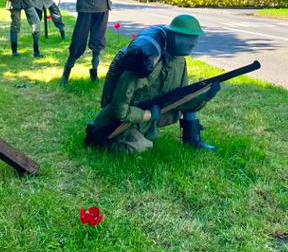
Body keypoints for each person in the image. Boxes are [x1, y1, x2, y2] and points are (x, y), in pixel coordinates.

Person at [85, 15, 219, 153]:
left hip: (149, 112)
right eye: (187, 37)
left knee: (187, 94)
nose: (193, 43)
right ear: (172, 35)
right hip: (126, 117)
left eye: (195, 37)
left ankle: (192, 139)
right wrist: (147, 115)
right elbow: (120, 109)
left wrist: (204, 96)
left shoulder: (178, 61)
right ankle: (101, 140)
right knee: (138, 147)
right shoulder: (144, 63)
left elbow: (181, 98)